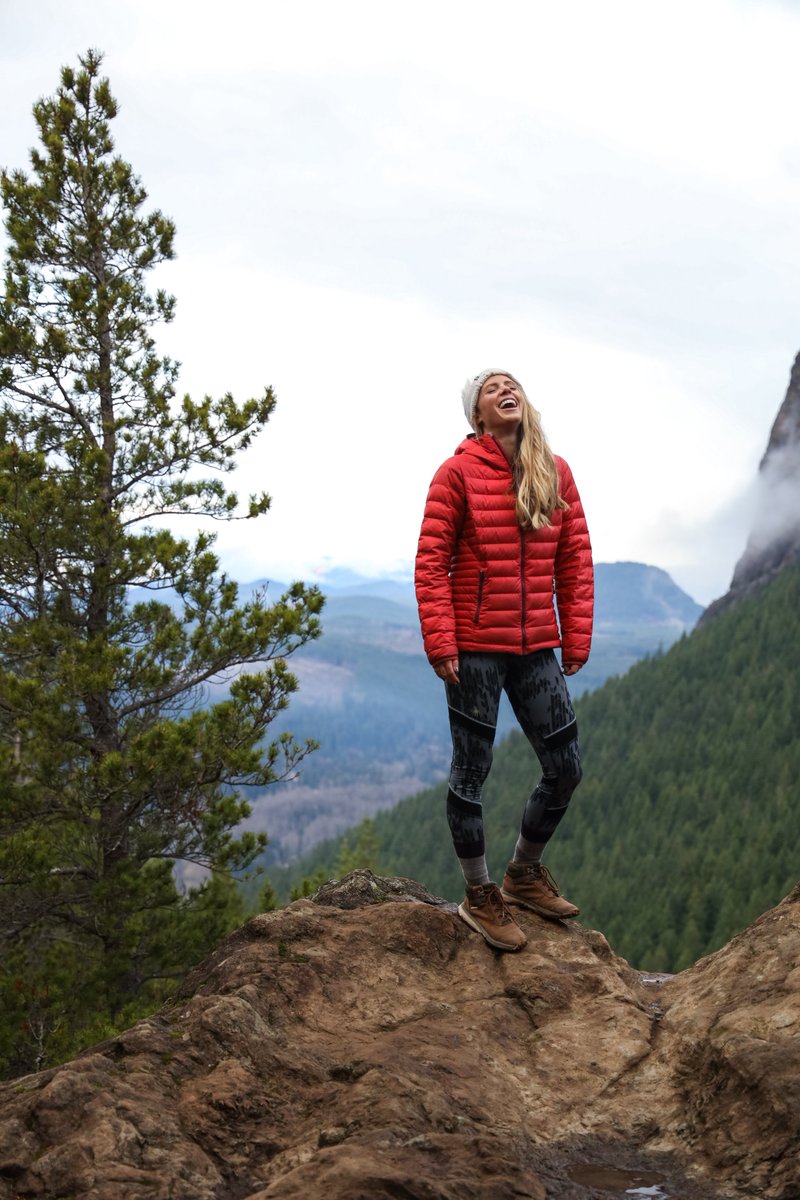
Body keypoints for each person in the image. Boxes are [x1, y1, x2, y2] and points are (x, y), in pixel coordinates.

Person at [415, 369, 593, 952]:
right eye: (491, 389)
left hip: (536, 645)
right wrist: (442, 640)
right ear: (477, 416)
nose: (505, 390)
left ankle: (521, 874)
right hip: (474, 647)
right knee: (471, 773)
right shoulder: (456, 473)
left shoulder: (555, 472)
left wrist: (576, 634)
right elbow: (432, 562)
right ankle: (479, 893)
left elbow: (574, 560)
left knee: (564, 766)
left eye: (511, 383)